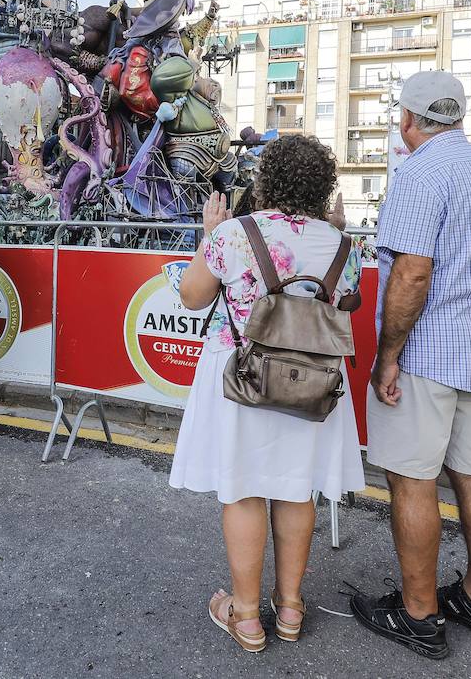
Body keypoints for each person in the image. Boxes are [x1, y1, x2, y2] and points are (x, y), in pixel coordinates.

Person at [350, 71, 471, 660]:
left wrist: (387, 357)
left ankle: (420, 613)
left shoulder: (420, 172)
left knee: (411, 478)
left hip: (430, 352)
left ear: (407, 120)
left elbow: (412, 274)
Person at [170, 135, 366, 654]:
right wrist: (334, 237)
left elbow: (191, 298)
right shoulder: (343, 244)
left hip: (243, 377)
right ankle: (292, 608)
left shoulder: (235, 233)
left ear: (266, 180)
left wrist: (208, 236)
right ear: (323, 185)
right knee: (296, 489)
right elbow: (348, 304)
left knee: (245, 490)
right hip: (314, 383)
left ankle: (246, 615)